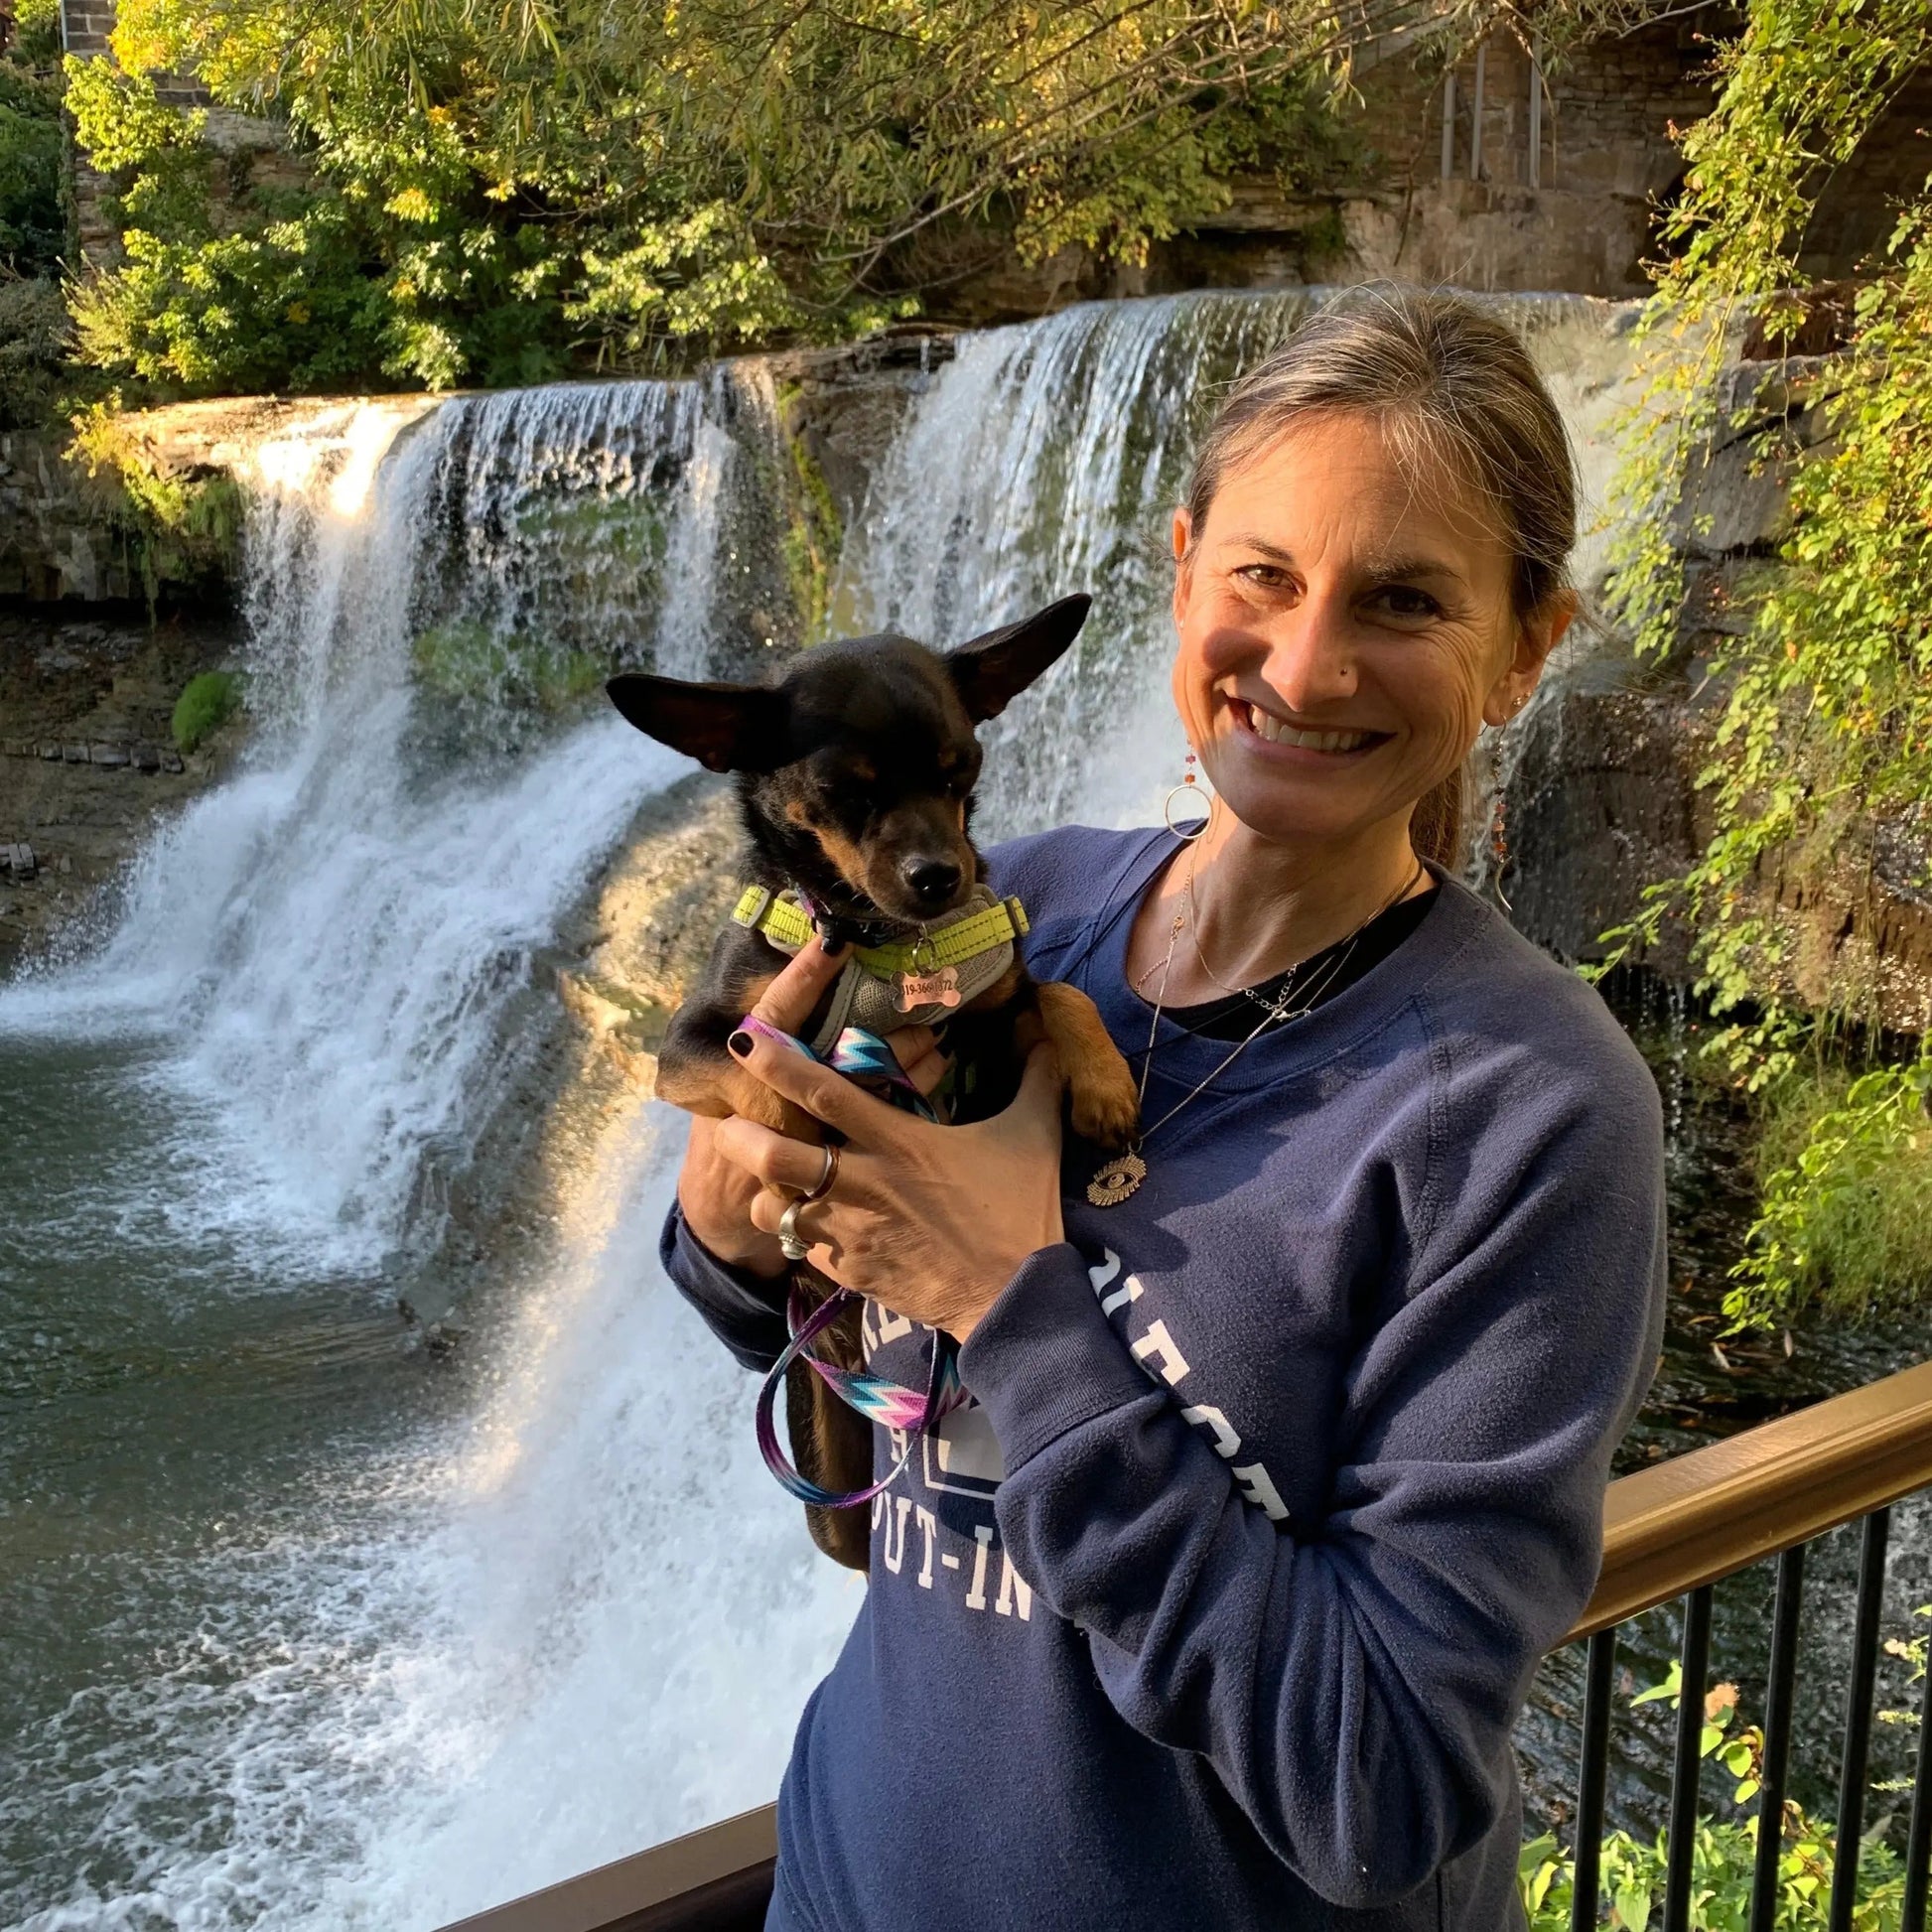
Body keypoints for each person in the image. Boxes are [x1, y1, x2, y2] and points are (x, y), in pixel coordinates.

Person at [658, 283, 1669, 1930]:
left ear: (1520, 654)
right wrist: (722, 1227)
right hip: (841, 1878)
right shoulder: (1009, 917)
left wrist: (1007, 1294)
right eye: (1262, 576)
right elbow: (767, 1287)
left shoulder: (1527, 1112)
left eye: (1402, 599)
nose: (1307, 658)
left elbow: (1379, 1786)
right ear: (1181, 570)